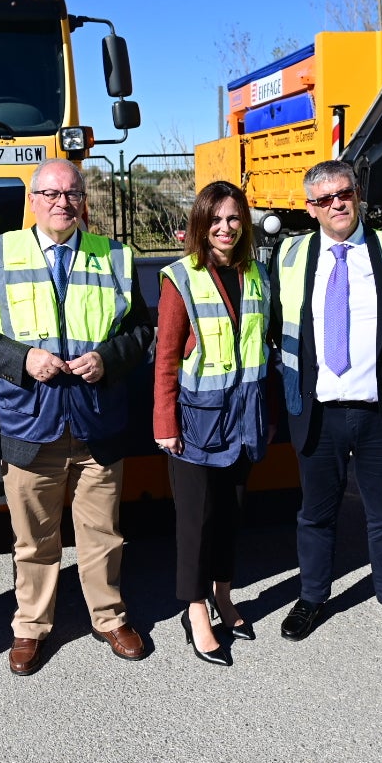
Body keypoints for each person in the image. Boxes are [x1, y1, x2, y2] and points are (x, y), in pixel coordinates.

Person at [0, 158, 154, 675]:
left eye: (71, 193)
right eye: (50, 193)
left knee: (103, 532)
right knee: (34, 539)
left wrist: (106, 358)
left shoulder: (114, 256)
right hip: (30, 422)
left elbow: (140, 332)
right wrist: (23, 359)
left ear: (83, 199)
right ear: (32, 198)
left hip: (96, 421)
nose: (62, 203)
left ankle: (109, 618)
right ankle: (30, 626)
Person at [272, 160, 382, 650]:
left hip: (380, 411)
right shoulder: (289, 255)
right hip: (318, 412)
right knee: (315, 514)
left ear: (358, 195)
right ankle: (312, 597)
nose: (335, 204)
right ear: (310, 209)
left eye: (343, 194)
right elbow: (274, 326)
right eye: (322, 199)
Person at [153, 180, 270, 667]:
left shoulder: (257, 274)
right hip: (196, 423)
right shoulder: (181, 277)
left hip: (244, 418)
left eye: (234, 218)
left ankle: (224, 594)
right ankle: (196, 609)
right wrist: (165, 423)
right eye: (216, 219)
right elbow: (165, 360)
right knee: (196, 522)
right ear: (201, 224)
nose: (225, 228)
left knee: (230, 516)